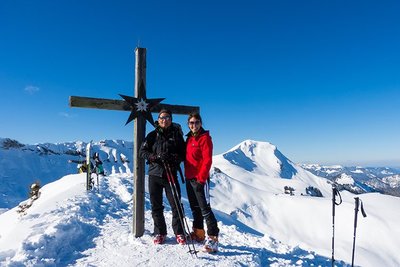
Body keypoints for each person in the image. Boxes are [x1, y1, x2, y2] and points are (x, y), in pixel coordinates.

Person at [139, 109, 186, 245]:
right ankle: (160, 232)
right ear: (158, 120)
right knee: (156, 205)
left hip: (170, 174)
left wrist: (174, 157)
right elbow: (142, 152)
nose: (164, 120)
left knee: (176, 204)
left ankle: (179, 232)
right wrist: (155, 156)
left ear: (171, 119)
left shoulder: (177, 135)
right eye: (161, 118)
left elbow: (183, 153)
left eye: (167, 117)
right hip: (155, 174)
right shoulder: (152, 135)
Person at [184, 112, 220, 253]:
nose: (194, 125)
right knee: (195, 207)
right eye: (191, 123)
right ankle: (199, 233)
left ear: (201, 123)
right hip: (189, 178)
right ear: (188, 124)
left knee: (205, 209)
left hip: (200, 180)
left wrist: (201, 179)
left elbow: (207, 160)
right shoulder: (188, 138)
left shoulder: (205, 138)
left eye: (197, 122)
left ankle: (213, 238)